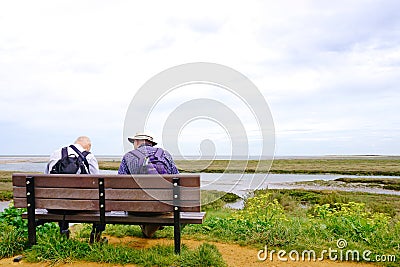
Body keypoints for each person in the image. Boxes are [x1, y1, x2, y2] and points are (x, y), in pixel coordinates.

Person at [118, 132, 179, 237]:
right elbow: (177, 178)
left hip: (135, 209)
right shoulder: (165, 154)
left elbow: (119, 184)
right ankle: (151, 227)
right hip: (163, 208)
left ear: (136, 142)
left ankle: (148, 228)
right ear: (151, 143)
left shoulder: (128, 156)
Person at [45, 136, 104, 242]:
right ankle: (95, 235)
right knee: (100, 201)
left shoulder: (56, 154)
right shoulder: (89, 157)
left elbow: (46, 177)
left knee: (62, 196)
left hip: (56, 206)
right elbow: (97, 183)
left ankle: (64, 231)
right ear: (88, 146)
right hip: (81, 206)